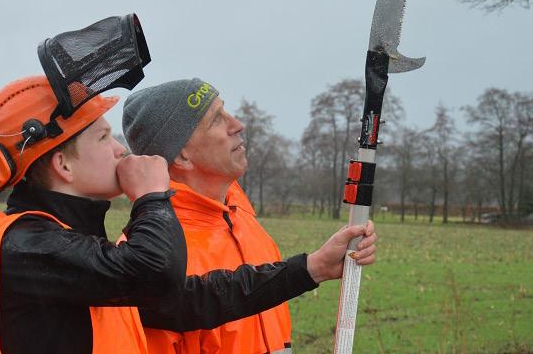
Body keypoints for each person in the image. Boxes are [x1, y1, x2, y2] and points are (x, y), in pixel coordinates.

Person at [0, 76, 378, 354]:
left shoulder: (68, 244)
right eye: (103, 137)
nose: (119, 151)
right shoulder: (28, 247)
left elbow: (193, 300)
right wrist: (152, 196)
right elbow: (157, 274)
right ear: (64, 165)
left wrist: (310, 268)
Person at [122, 78, 378, 354]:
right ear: (182, 156)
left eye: (226, 110)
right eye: (216, 120)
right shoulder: (147, 255)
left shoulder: (238, 213)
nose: (238, 124)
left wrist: (320, 264)